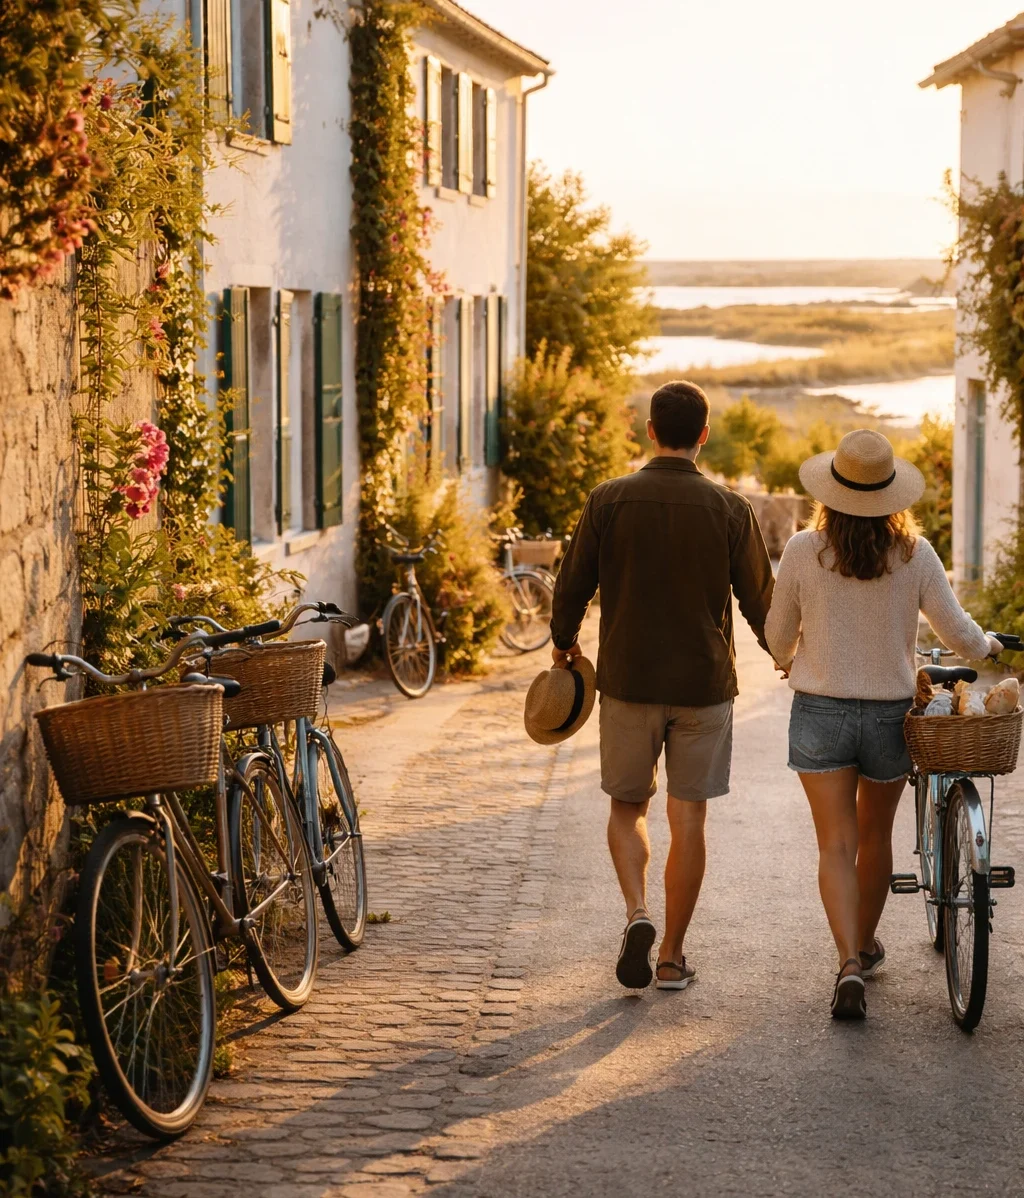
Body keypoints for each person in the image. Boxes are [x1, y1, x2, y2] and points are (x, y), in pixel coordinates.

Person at [765, 428, 1004, 1020]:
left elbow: (777, 635)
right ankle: (865, 948)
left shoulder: (801, 549)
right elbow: (956, 634)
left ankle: (849, 960)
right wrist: (989, 645)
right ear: (891, 494)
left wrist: (789, 658)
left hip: (819, 710)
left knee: (835, 843)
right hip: (891, 716)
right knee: (875, 839)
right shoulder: (915, 554)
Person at [550, 380, 775, 991]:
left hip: (628, 679)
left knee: (628, 809)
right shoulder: (731, 509)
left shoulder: (608, 500)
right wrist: (783, 654)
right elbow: (761, 600)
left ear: (650, 430)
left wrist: (564, 642)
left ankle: (637, 914)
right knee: (689, 817)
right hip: (704, 685)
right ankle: (672, 956)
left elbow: (572, 584)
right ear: (703, 435)